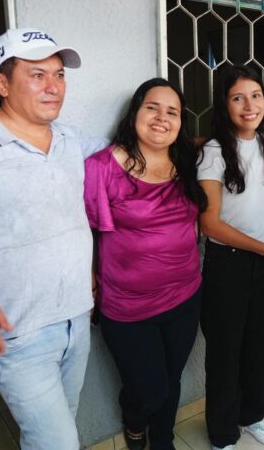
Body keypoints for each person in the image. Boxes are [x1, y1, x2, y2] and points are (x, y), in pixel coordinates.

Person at [0, 28, 108, 449]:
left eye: (59, 75)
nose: (54, 87)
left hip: (76, 316)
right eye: (37, 75)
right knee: (58, 443)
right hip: (17, 331)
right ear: (1, 82)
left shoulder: (70, 138)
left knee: (56, 432)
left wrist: (211, 147)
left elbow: (138, 153)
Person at [83, 78, 207, 450]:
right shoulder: (101, 168)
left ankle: (163, 440)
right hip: (128, 308)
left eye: (172, 112)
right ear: (135, 112)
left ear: (181, 123)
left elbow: (235, 144)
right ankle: (135, 423)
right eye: (152, 107)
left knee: (171, 379)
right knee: (149, 389)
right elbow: (83, 232)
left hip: (185, 297)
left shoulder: (188, 161)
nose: (161, 118)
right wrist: (88, 281)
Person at [197, 64, 264, 450]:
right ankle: (223, 432)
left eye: (255, 95)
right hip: (228, 264)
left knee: (262, 347)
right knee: (226, 352)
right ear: (224, 104)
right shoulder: (213, 152)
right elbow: (209, 223)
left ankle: (252, 414)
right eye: (238, 97)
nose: (249, 105)